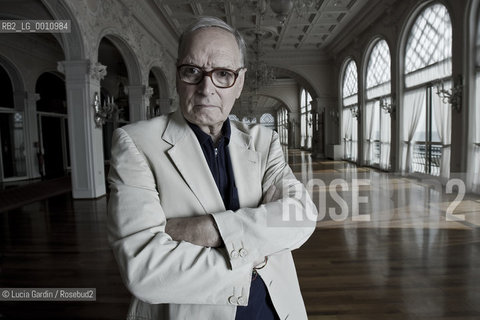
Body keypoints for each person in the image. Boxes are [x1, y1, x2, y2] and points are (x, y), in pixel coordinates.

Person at [107, 16, 318, 320]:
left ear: (240, 82)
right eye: (193, 71)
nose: (207, 89)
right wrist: (257, 249)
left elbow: (301, 215)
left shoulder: (264, 140)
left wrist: (209, 229)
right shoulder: (136, 143)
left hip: (274, 306)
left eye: (223, 74)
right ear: (178, 75)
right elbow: (143, 270)